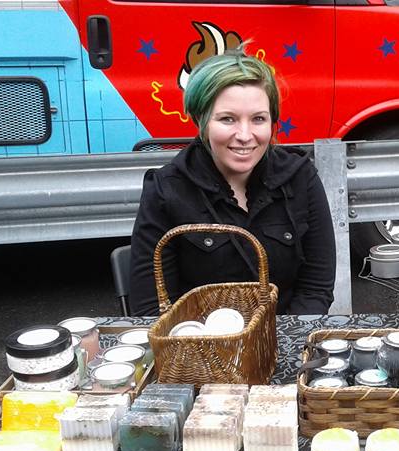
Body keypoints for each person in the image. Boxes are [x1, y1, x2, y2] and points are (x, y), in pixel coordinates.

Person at [128, 50, 336, 316]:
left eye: (258, 119)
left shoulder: (300, 178)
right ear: (201, 121)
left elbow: (316, 287)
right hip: (198, 347)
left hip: (285, 340)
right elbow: (151, 305)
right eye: (228, 119)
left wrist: (281, 343)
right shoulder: (166, 190)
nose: (245, 135)